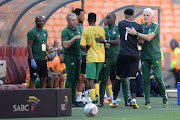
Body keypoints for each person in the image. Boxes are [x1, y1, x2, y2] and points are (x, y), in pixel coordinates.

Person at [128, 8, 168, 108]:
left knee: (158, 77)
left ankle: (164, 97)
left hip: (155, 56)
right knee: (145, 79)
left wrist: (136, 34)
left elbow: (149, 37)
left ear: (152, 17)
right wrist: (137, 38)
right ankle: (147, 101)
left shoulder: (155, 26)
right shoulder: (141, 26)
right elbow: (141, 41)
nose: (145, 17)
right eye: (144, 15)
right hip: (145, 56)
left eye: (147, 15)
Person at [95, 13, 130, 107]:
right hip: (107, 58)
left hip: (118, 57)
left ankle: (127, 99)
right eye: (107, 18)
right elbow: (99, 40)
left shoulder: (118, 28)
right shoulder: (104, 29)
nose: (107, 20)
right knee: (104, 79)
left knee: (122, 78)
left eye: (109, 18)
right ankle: (101, 101)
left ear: (114, 19)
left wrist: (105, 41)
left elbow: (117, 41)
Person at [112, 8, 143, 109]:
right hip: (134, 54)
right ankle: (134, 100)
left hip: (123, 53)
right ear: (133, 15)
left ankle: (114, 100)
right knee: (132, 77)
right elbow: (140, 42)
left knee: (118, 77)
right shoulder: (138, 26)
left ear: (125, 15)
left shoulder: (121, 24)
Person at [80, 13, 105, 104]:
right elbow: (104, 41)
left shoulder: (86, 31)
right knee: (97, 78)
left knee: (91, 78)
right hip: (101, 57)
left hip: (91, 57)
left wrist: (86, 48)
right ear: (95, 20)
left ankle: (94, 100)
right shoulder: (101, 30)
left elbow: (82, 45)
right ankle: (97, 96)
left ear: (87, 20)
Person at [61, 13, 82, 107]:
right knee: (70, 78)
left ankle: (74, 100)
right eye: (73, 20)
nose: (75, 21)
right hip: (70, 56)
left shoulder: (78, 29)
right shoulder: (65, 31)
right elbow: (65, 45)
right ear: (68, 21)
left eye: (76, 20)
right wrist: (74, 38)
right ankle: (67, 100)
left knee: (76, 78)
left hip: (78, 56)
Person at [27, 16, 48, 88]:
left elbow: (45, 44)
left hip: (43, 59)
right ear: (35, 22)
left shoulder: (45, 32)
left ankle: (43, 96)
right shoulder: (32, 32)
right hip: (35, 59)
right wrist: (32, 59)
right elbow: (29, 46)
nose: (41, 23)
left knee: (44, 79)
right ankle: (30, 96)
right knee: (33, 78)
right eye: (39, 21)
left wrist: (50, 51)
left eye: (42, 21)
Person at [73, 8, 86, 105]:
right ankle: (72, 98)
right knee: (75, 78)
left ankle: (78, 99)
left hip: (83, 55)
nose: (84, 17)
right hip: (76, 56)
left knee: (82, 77)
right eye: (82, 15)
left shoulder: (81, 27)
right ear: (77, 16)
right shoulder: (73, 27)